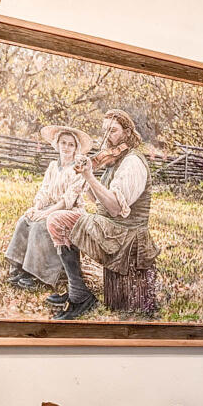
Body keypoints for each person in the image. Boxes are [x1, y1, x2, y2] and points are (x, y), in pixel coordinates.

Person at [40, 111, 153, 319]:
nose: (106, 137)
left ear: (127, 133)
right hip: (109, 226)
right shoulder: (114, 160)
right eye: (104, 131)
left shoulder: (132, 162)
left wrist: (90, 176)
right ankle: (78, 291)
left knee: (57, 220)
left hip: (125, 233)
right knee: (60, 221)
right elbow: (97, 199)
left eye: (113, 131)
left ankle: (80, 296)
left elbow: (115, 208)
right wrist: (86, 179)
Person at [2, 125, 94, 305]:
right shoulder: (53, 166)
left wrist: (45, 213)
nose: (66, 148)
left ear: (76, 149)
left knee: (40, 226)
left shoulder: (78, 170)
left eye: (71, 145)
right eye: (63, 143)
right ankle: (20, 266)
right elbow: (44, 190)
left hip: (69, 211)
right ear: (57, 144)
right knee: (25, 221)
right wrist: (36, 208)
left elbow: (68, 200)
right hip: (50, 206)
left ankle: (36, 274)